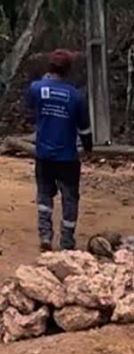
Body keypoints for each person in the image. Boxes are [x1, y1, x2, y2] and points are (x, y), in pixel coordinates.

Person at [23, 49, 92, 253]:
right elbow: (84, 128)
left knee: (45, 195)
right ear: (68, 70)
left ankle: (45, 235)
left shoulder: (36, 88)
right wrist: (88, 148)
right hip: (67, 157)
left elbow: (29, 109)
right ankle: (67, 241)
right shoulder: (76, 96)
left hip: (44, 154)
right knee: (70, 198)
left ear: (49, 66)